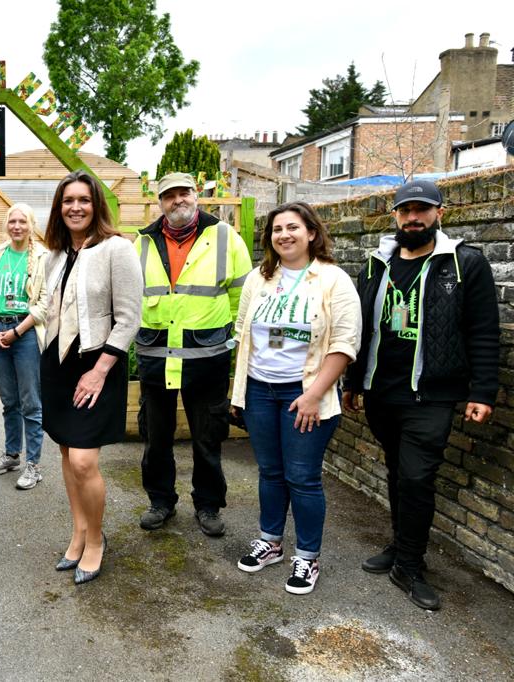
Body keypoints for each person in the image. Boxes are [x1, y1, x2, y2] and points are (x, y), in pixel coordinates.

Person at [343, 179, 499, 611]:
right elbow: (359, 329)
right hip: (381, 392)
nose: (414, 218)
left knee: (416, 477)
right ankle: (399, 545)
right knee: (397, 472)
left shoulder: (464, 263)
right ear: (394, 216)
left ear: (439, 214)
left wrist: (482, 391)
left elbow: (484, 332)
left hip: (430, 395)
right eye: (405, 211)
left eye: (422, 210)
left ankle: (410, 564)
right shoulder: (377, 265)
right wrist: (354, 383)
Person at [230, 202, 360, 595]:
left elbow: (344, 344)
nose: (284, 235)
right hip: (259, 390)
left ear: (312, 233)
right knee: (270, 473)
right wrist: (238, 393)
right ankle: (270, 541)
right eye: (276, 229)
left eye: (292, 227)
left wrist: (313, 396)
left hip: (303, 394)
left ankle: (307, 556)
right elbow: (243, 335)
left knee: (301, 478)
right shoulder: (260, 278)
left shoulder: (334, 280)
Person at [135, 172, 253, 537]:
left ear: (196, 195)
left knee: (207, 438)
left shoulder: (225, 237)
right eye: (169, 195)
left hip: (207, 358)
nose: (178, 200)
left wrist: (232, 341)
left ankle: (208, 505)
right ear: (160, 203)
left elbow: (243, 299)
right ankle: (161, 501)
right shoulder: (140, 243)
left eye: (184, 193)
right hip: (156, 357)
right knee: (156, 439)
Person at [41, 170, 142, 585]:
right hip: (57, 364)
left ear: (96, 204)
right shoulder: (55, 254)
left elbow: (130, 318)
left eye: (83, 200)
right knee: (67, 454)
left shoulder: (117, 249)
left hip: (98, 365)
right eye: (68, 201)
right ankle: (78, 531)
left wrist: (99, 371)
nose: (75, 207)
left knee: (84, 460)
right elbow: (49, 308)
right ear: (58, 208)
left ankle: (97, 539)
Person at [0, 203, 50, 490]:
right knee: (9, 401)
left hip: (24, 333)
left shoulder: (43, 258)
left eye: (23, 221)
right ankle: (12, 454)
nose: (17, 226)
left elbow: (46, 304)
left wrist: (15, 331)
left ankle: (33, 465)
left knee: (30, 403)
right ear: (6, 224)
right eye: (12, 221)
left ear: (31, 224)